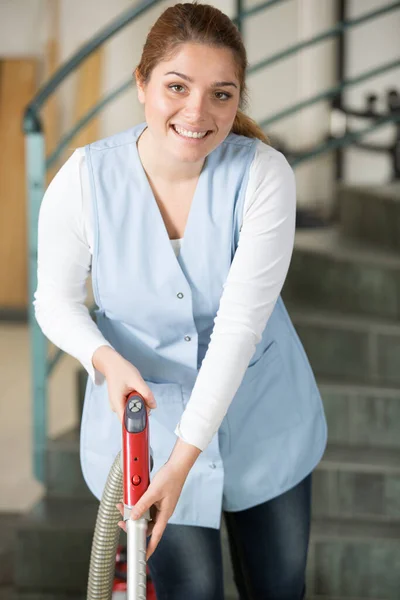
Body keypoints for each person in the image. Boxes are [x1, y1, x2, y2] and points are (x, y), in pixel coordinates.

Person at [34, 2, 327, 598]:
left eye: (222, 94)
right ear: (141, 84)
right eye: (176, 86)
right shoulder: (84, 180)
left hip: (262, 422)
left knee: (279, 585)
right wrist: (106, 360)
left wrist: (184, 459)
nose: (198, 112)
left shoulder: (265, 176)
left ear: (238, 100)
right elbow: (55, 302)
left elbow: (239, 326)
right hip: (150, 437)